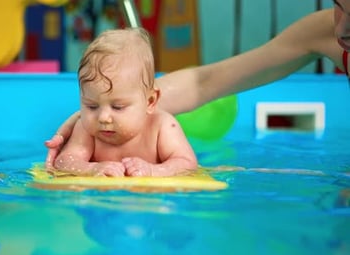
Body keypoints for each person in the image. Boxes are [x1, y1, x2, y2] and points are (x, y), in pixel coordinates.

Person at [45, 3, 350, 168]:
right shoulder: (324, 32)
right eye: (339, 5)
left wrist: (156, 170)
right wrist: (95, 114)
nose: (341, 28)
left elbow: (184, 164)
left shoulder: (164, 127)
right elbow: (204, 82)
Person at [51, 27, 198, 177]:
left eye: (117, 107)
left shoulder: (162, 127)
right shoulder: (87, 130)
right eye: (92, 106)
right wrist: (92, 169)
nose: (103, 117)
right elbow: (65, 162)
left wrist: (153, 170)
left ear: (150, 101)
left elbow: (187, 163)